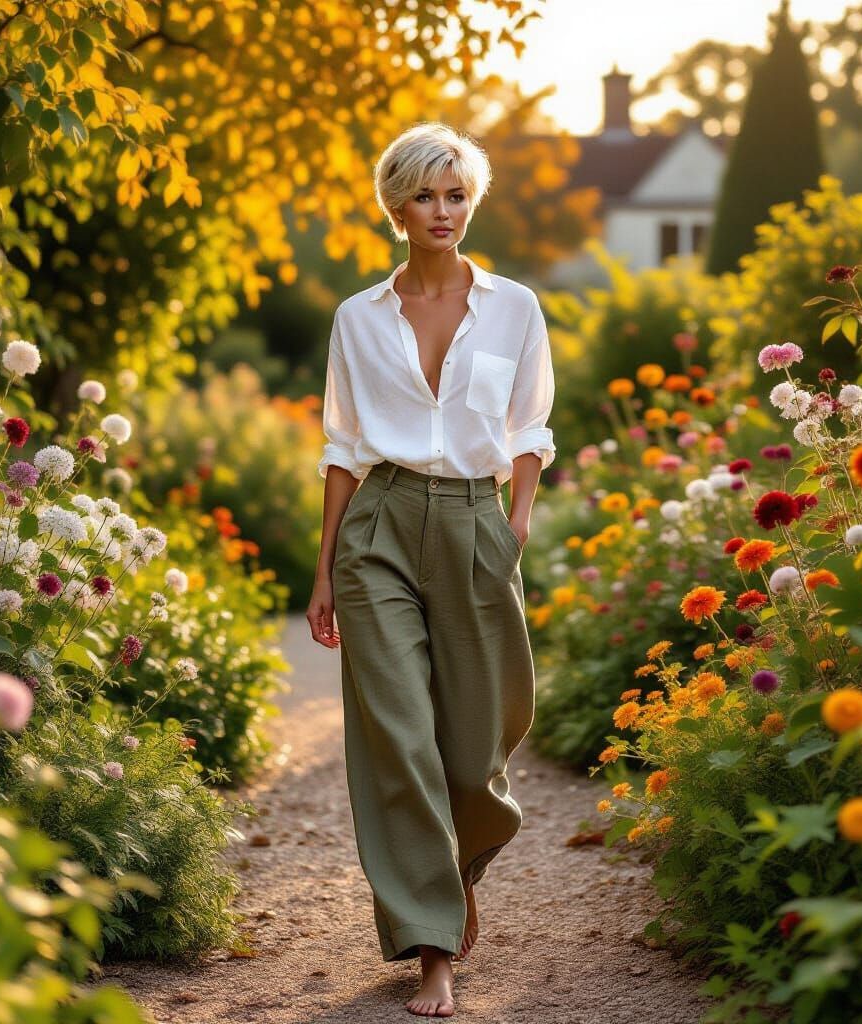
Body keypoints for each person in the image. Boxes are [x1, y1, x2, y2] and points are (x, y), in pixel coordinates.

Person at [306, 121, 556, 1018]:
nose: (441, 211)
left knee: (482, 736)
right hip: (377, 527)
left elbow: (529, 429)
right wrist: (326, 567)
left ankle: (454, 867)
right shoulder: (357, 319)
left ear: (471, 202)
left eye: (455, 194)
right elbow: (342, 446)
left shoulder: (517, 308)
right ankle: (431, 947)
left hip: (473, 524)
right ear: (396, 206)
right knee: (398, 737)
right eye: (423, 194)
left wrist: (514, 526)